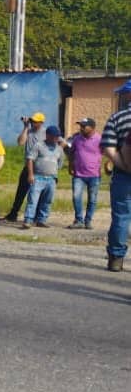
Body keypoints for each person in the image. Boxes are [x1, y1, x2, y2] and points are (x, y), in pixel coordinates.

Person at [101, 79, 131, 272]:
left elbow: (109, 148)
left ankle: (116, 259)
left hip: (123, 175)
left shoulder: (117, 118)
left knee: (121, 216)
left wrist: (124, 166)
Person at [20, 125, 65, 230]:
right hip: (38, 177)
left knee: (47, 200)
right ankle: (28, 220)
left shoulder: (59, 149)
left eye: (58, 136)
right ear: (47, 135)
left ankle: (41, 220)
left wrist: (54, 174)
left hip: (51, 178)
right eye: (54, 136)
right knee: (33, 200)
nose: (56, 138)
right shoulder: (38, 145)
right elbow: (30, 159)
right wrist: (31, 174)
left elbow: (60, 163)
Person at [3, 112, 45, 223]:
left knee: (37, 193)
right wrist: (26, 127)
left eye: (35, 121)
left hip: (39, 168)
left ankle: (36, 217)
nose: (33, 123)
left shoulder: (45, 133)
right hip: (27, 166)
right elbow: (20, 142)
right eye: (32, 120)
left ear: (41, 122)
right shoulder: (29, 132)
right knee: (21, 191)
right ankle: (13, 214)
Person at [65, 117, 102, 229]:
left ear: (92, 127)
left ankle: (88, 221)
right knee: (76, 197)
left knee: (92, 199)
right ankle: (79, 220)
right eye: (80, 125)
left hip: (94, 175)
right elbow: (71, 153)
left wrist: (108, 165)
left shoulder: (100, 139)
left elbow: (108, 152)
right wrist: (71, 165)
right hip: (78, 175)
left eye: (83, 126)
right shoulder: (77, 138)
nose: (81, 128)